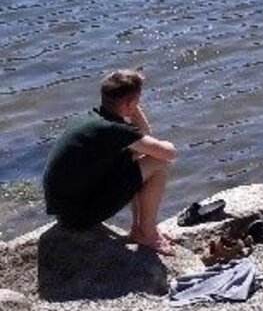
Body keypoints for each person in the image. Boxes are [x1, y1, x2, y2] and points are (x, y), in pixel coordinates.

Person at [42, 70, 178, 254]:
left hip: (67, 210)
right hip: (78, 216)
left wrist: (131, 105)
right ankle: (146, 232)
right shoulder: (113, 129)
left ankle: (139, 229)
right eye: (137, 101)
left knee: (137, 155)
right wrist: (134, 107)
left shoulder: (95, 118)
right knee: (158, 163)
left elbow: (143, 137)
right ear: (130, 102)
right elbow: (167, 153)